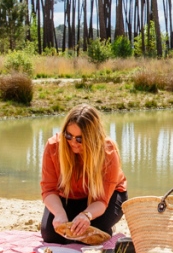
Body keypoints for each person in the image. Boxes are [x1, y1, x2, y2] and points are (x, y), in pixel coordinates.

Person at [40, 103, 127, 243]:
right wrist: (59, 213)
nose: (73, 142)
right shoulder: (53, 146)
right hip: (69, 196)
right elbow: (49, 190)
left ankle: (106, 226)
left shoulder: (108, 152)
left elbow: (102, 200)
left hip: (106, 198)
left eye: (80, 139)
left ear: (93, 137)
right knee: (51, 235)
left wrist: (86, 215)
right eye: (68, 136)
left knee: (90, 233)